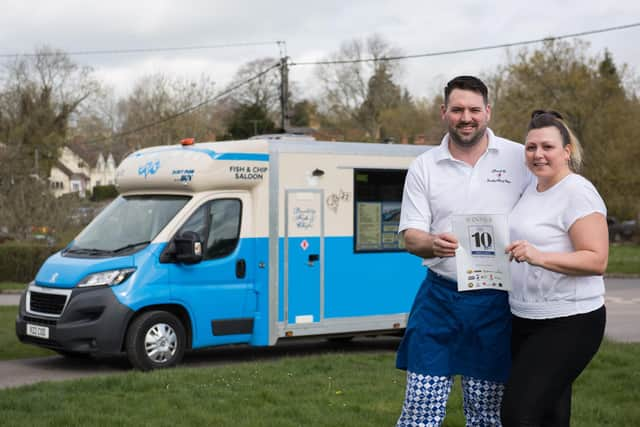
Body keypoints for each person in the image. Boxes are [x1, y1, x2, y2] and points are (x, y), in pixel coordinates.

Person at [395, 75, 531, 426]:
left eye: (474, 109)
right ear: (444, 112)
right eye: (457, 110)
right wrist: (432, 242)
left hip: (496, 304)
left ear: (488, 111)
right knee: (420, 411)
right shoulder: (424, 165)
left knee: (487, 415)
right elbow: (410, 236)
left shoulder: (520, 158)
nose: (466, 117)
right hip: (439, 299)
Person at [500, 110, 608, 427]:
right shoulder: (532, 189)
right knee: (550, 416)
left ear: (566, 151)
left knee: (518, 415)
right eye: (531, 147)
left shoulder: (578, 192)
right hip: (524, 318)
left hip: (570, 322)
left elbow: (596, 259)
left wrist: (539, 256)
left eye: (547, 147)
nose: (538, 154)